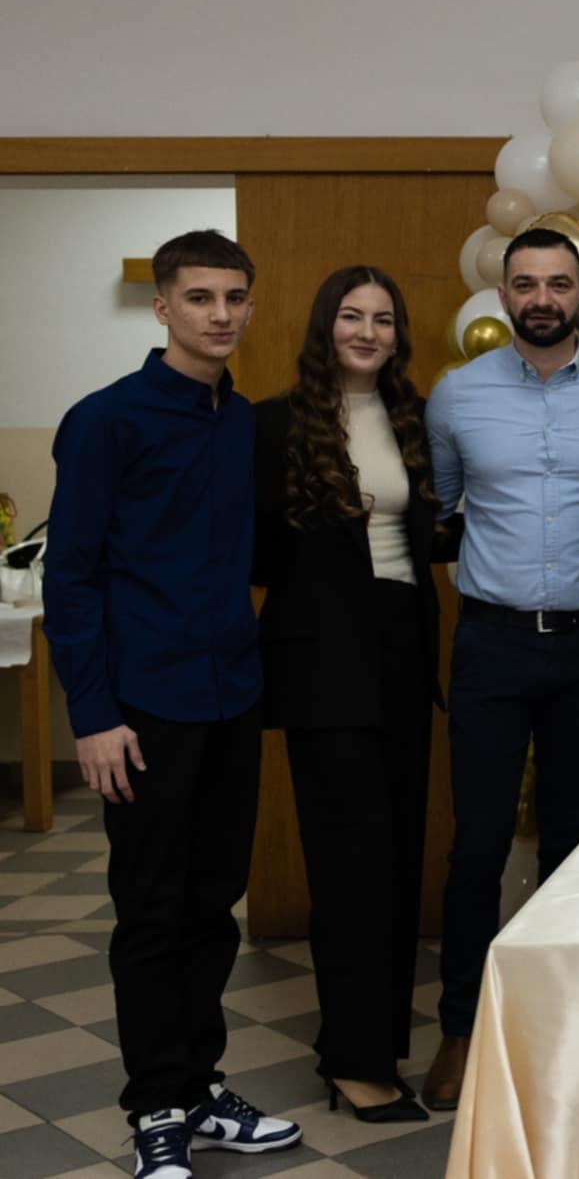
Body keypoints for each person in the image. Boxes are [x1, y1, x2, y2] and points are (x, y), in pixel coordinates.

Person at [43, 230, 302, 1176]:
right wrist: (91, 713)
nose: (220, 314)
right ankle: (156, 1105)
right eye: (199, 297)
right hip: (141, 709)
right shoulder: (105, 420)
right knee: (151, 913)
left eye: (234, 297)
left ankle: (198, 1087)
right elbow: (71, 576)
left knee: (212, 905)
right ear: (163, 307)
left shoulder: (240, 424)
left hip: (231, 697)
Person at [422, 226, 579, 1110]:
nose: (542, 298)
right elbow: (445, 505)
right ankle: (461, 1027)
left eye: (559, 283)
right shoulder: (456, 395)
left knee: (572, 841)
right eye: (526, 283)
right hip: (491, 643)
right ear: (503, 294)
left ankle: (560, 1026)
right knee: (477, 843)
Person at [251, 266, 443, 1123]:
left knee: (398, 857)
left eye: (384, 318)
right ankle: (352, 1060)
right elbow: (257, 552)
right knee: (349, 865)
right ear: (324, 325)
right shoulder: (275, 425)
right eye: (351, 315)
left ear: (399, 333)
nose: (368, 331)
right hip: (324, 662)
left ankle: (381, 1045)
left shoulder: (414, 418)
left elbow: (429, 532)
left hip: (402, 650)